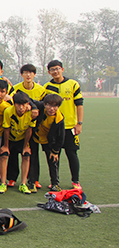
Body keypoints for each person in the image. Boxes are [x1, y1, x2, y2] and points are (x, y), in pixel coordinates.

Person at [44, 60, 84, 190]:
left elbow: (79, 104)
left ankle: (75, 181)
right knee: (54, 155)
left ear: (62, 69)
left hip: (70, 127)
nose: (55, 71)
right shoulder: (47, 87)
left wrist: (79, 123)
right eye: (52, 70)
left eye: (57, 69)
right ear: (49, 72)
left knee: (72, 154)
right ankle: (55, 182)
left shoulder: (73, 84)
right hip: (53, 127)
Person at [0, 91, 35, 194]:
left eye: (23, 105)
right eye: (18, 105)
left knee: (26, 155)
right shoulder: (8, 111)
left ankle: (23, 184)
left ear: (27, 104)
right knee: (4, 155)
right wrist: (6, 146)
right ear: (14, 104)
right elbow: (6, 129)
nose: (21, 108)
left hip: (22, 138)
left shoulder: (31, 113)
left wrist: (26, 146)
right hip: (10, 138)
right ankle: (3, 183)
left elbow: (29, 130)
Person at [29, 94, 65, 192]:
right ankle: (32, 182)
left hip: (49, 141)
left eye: (55, 106)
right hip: (35, 137)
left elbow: (60, 137)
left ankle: (55, 183)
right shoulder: (40, 106)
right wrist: (34, 107)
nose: (52, 109)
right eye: (49, 105)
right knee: (32, 159)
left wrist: (55, 151)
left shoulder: (59, 119)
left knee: (52, 160)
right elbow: (28, 98)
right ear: (44, 104)